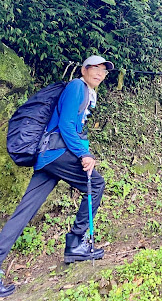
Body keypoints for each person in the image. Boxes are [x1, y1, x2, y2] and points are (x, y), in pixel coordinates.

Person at [0, 56, 113, 298]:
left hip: (49, 156)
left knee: (24, 212)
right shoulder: (76, 87)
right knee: (96, 184)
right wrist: (84, 153)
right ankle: (76, 243)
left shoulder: (88, 93)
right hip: (55, 153)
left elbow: (73, 127)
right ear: (84, 70)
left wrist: (83, 147)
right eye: (95, 68)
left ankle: (75, 245)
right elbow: (65, 125)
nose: (100, 74)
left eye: (103, 71)